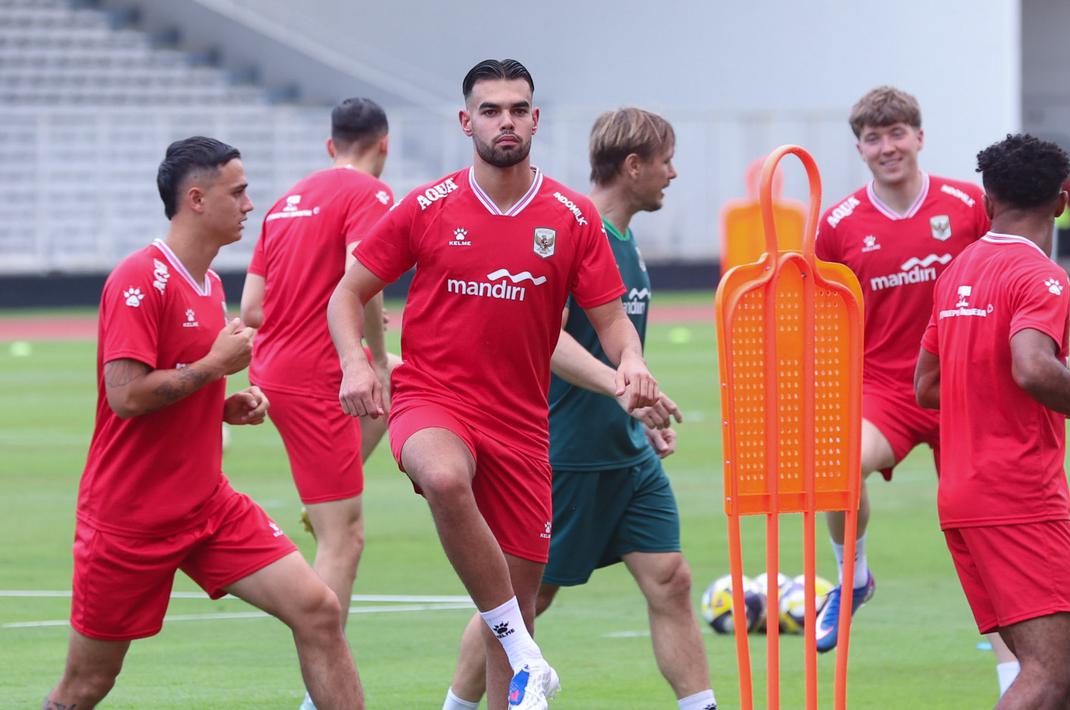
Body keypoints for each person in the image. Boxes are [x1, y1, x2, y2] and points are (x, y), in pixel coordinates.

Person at [327, 60, 657, 710]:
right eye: (490, 110)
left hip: (524, 429)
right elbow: (346, 292)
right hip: (433, 399)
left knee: (516, 614)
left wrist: (634, 362)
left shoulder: (572, 216)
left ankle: (518, 655)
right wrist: (356, 362)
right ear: (465, 121)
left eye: (516, 109)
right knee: (443, 477)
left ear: (534, 120)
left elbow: (612, 321)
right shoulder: (426, 206)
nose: (505, 121)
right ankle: (526, 651)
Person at [43, 137, 364, 710]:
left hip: (208, 507)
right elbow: (125, 397)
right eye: (237, 192)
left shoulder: (211, 284)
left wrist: (220, 404)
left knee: (318, 610)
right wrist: (215, 367)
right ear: (196, 199)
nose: (249, 204)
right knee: (88, 684)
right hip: (130, 520)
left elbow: (180, 380)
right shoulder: (139, 278)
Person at [441, 108, 718, 710]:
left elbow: (619, 346)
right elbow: (548, 338)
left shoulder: (625, 239)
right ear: (633, 166)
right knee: (522, 601)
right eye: (666, 161)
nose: (673, 174)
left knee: (671, 580)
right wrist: (621, 389)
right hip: (564, 454)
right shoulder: (570, 229)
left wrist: (640, 407)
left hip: (626, 457)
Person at [914, 133, 1070, 709]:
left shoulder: (957, 272)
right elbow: (1032, 368)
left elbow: (927, 387)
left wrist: (1059, 390)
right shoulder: (1041, 275)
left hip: (962, 494)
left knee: (1041, 671)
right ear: (1061, 202)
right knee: (1054, 673)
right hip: (1018, 495)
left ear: (987, 201)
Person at [811, 84, 1021, 690]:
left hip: (965, 390)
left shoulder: (968, 205)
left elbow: (1011, 273)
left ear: (919, 137)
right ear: (860, 148)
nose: (887, 147)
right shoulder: (838, 226)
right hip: (887, 391)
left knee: (982, 531)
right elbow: (823, 316)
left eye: (897, 133)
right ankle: (852, 577)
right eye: (873, 138)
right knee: (836, 466)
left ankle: (1015, 678)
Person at [239, 96, 398, 710]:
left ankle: (327, 491)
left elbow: (253, 308)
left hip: (273, 368)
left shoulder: (285, 202)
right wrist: (372, 354)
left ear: (331, 146)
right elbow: (365, 278)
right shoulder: (371, 194)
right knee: (345, 538)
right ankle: (319, 696)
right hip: (318, 375)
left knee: (409, 381)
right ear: (383, 144)